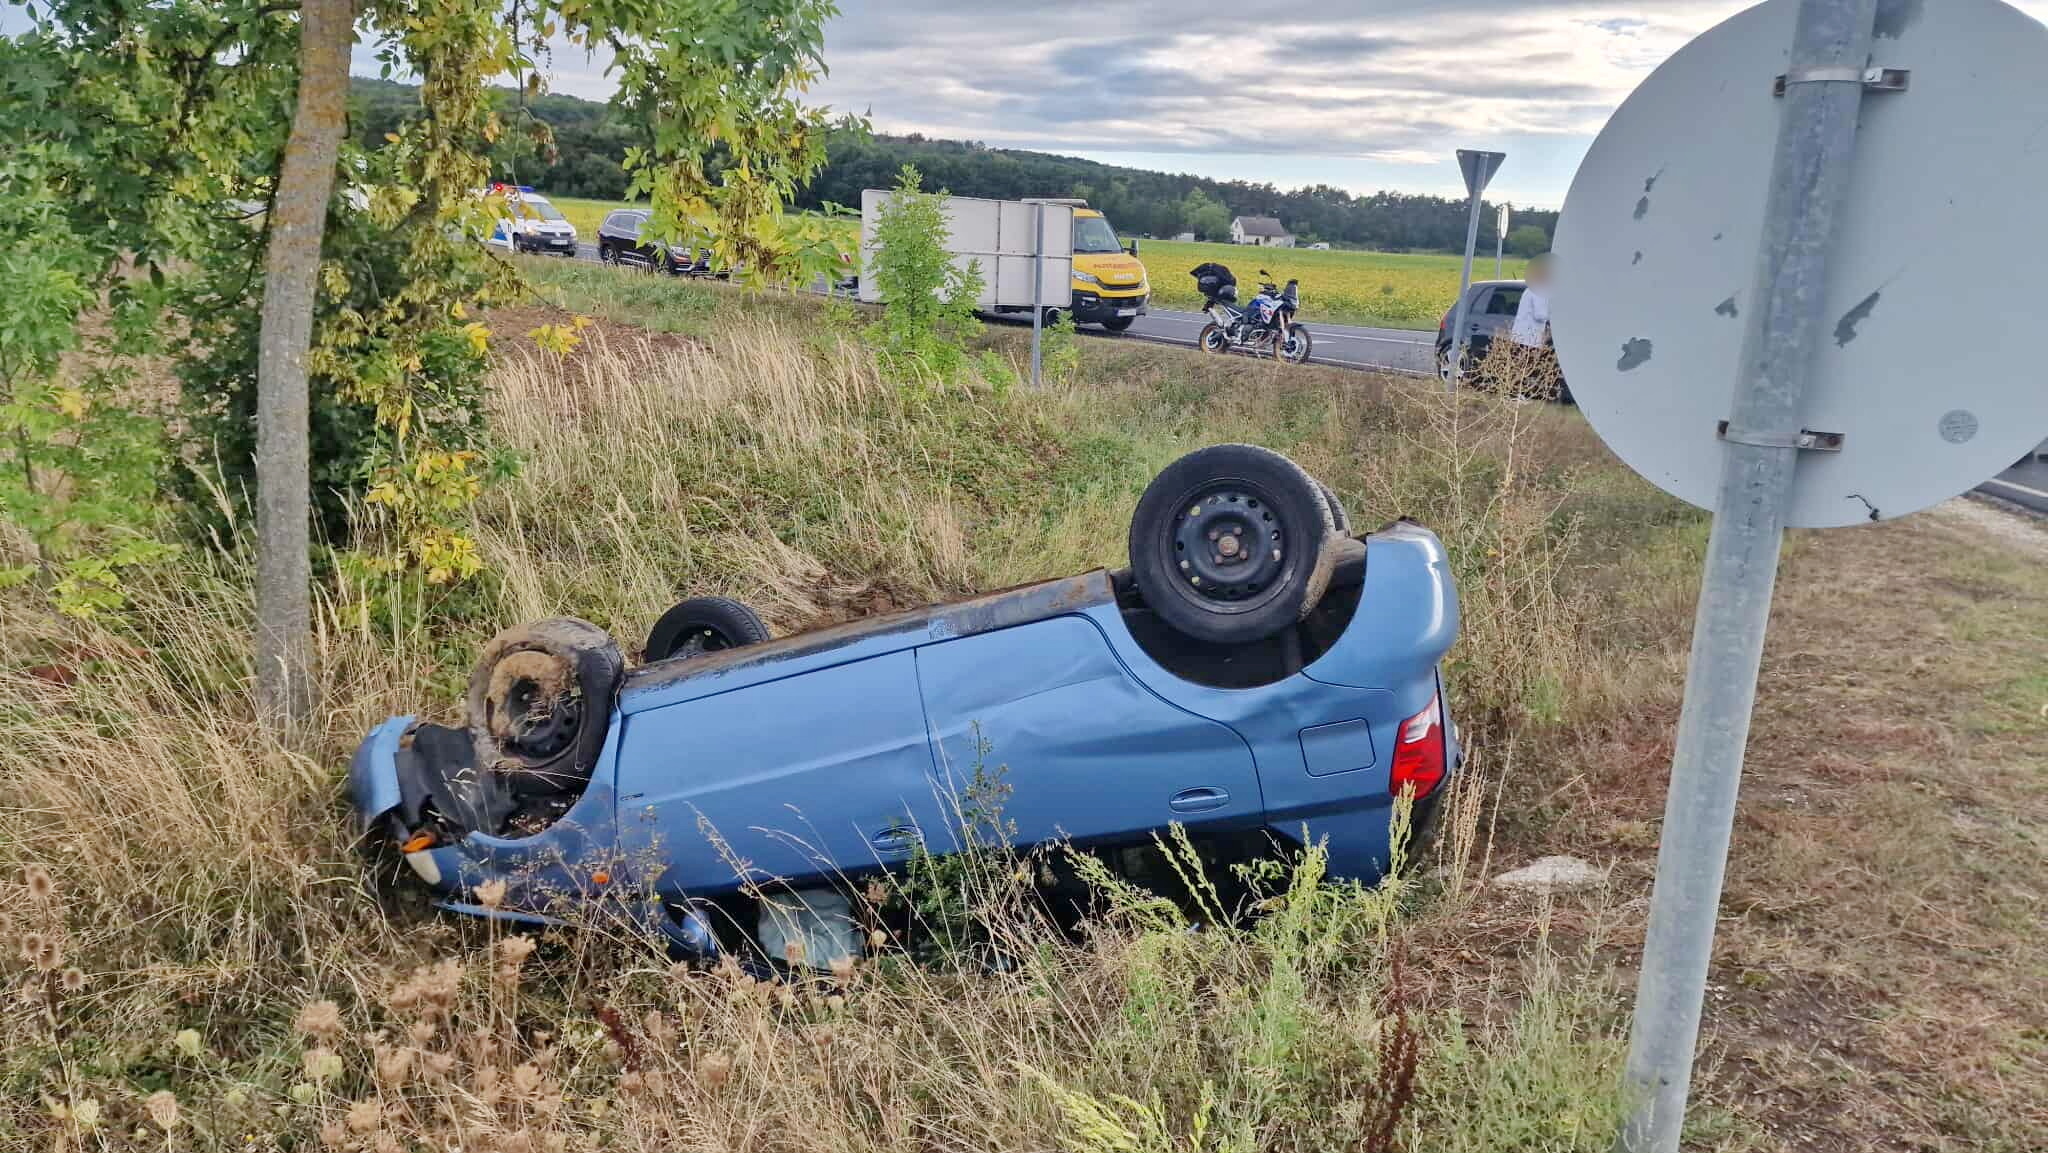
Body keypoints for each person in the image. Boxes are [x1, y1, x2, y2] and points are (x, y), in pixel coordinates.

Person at [1509, 253, 1566, 401]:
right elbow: (1540, 315)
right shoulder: (1539, 292)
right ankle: (1516, 395)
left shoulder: (1531, 290)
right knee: (1524, 367)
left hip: (1522, 335)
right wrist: (1555, 315)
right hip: (1529, 337)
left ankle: (1515, 394)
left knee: (1520, 366)